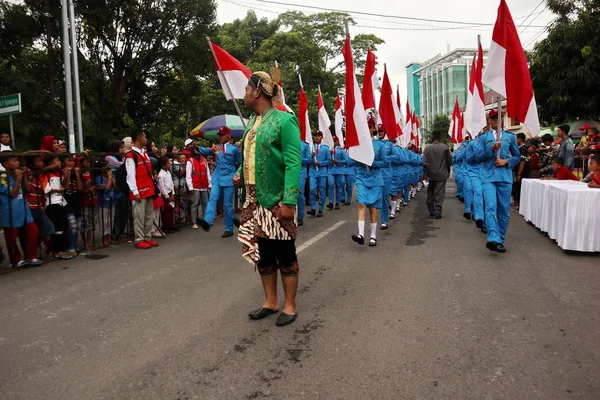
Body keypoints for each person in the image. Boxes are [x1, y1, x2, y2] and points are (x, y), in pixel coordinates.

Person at [234, 71, 301, 327]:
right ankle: (270, 301)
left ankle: (290, 305)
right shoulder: (252, 122)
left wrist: (289, 201)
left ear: (257, 91)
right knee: (263, 254)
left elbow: (294, 163)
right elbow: (250, 155)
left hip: (277, 199)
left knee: (284, 254)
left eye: (246, 90)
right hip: (253, 199)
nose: (244, 95)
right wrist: (241, 172)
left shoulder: (285, 121)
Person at [475, 109, 521, 253]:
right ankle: (493, 238)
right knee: (490, 207)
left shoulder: (510, 137)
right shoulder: (483, 138)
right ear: (489, 120)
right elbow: (478, 157)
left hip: (504, 177)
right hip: (488, 177)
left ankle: (500, 239)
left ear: (502, 119)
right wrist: (491, 149)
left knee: (503, 210)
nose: (496, 120)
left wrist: (505, 161)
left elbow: (517, 156)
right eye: (493, 118)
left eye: (498, 118)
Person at [196, 126, 241, 238]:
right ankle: (207, 222)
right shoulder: (216, 148)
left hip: (229, 178)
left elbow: (241, 163)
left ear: (228, 136)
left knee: (228, 205)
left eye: (222, 135)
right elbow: (205, 151)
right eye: (219, 135)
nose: (220, 137)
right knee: (212, 198)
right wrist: (196, 147)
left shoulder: (234, 149)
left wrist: (238, 175)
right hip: (217, 177)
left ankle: (229, 228)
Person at [0, 152, 41, 267]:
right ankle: (16, 260)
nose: (17, 163)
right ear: (5, 164)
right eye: (14, 161)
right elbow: (13, 194)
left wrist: (23, 178)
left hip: (24, 209)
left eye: (17, 160)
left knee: (34, 232)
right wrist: (18, 179)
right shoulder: (2, 178)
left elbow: (28, 189)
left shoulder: (18, 174)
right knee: (11, 238)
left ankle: (31, 256)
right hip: (11, 212)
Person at [351, 119, 385, 247]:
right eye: (365, 127)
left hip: (375, 177)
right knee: (361, 204)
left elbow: (385, 162)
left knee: (372, 208)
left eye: (370, 127)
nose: (368, 129)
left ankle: (373, 236)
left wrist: (372, 162)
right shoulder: (358, 145)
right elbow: (353, 160)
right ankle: (360, 235)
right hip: (361, 176)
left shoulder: (379, 145)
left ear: (373, 129)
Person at [125, 129, 159, 249]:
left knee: (149, 216)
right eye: (144, 137)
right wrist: (135, 192)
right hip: (139, 191)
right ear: (139, 138)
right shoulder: (131, 156)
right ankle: (139, 239)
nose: (146, 139)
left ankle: (147, 237)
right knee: (139, 217)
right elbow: (130, 176)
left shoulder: (144, 153)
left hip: (148, 189)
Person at [42, 154, 72, 259]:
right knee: (57, 228)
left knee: (62, 227)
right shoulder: (46, 174)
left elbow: (65, 186)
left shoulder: (58, 173)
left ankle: (60, 249)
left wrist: (67, 175)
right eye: (57, 161)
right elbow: (46, 189)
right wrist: (58, 190)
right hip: (52, 203)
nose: (59, 163)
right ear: (51, 163)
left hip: (61, 202)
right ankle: (57, 250)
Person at [422, 130, 452, 219]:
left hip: (431, 174)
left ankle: (431, 209)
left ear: (432, 137)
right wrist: (447, 169)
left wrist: (426, 172)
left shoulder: (427, 148)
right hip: (442, 174)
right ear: (440, 137)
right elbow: (449, 161)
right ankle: (438, 210)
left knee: (430, 192)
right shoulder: (445, 147)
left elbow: (424, 162)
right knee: (439, 193)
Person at [106, 140, 128, 243]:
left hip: (123, 186)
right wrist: (126, 160)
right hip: (114, 189)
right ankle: (114, 234)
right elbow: (121, 165)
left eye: (123, 148)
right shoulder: (109, 158)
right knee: (116, 212)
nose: (123, 150)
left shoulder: (123, 158)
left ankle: (120, 232)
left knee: (124, 211)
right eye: (121, 148)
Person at [61, 153, 82, 257]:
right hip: (66, 202)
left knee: (77, 225)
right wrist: (67, 174)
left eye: (73, 161)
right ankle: (70, 247)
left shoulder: (76, 171)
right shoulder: (62, 172)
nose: (72, 163)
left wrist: (77, 175)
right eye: (69, 160)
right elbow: (64, 186)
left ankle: (74, 244)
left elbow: (80, 188)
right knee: (72, 225)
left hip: (76, 201)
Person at [307, 130, 331, 218]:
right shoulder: (311, 148)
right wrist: (311, 157)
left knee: (322, 190)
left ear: (322, 137)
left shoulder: (325, 148)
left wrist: (320, 163)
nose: (317, 137)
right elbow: (308, 161)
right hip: (313, 172)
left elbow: (329, 161)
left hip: (322, 172)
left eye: (319, 135)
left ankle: (320, 209)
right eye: (315, 135)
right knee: (312, 189)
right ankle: (313, 208)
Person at [186, 145, 211, 230]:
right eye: (197, 149)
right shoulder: (190, 161)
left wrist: (209, 184)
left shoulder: (204, 160)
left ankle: (206, 221)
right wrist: (190, 187)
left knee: (206, 203)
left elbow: (207, 173)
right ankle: (193, 222)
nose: (199, 151)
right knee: (194, 204)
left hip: (204, 185)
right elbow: (188, 175)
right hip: (195, 185)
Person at [377, 125, 394, 230]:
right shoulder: (371, 143)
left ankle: (384, 220)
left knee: (384, 197)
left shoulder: (389, 144)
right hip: (373, 174)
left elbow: (399, 157)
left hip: (386, 173)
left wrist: (385, 158)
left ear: (385, 132)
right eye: (378, 131)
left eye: (382, 131)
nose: (380, 133)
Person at [94, 160, 115, 246]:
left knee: (111, 219)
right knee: (103, 219)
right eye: (107, 167)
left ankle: (109, 236)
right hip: (103, 201)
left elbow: (116, 186)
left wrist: (111, 178)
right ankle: (104, 237)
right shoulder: (99, 178)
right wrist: (109, 177)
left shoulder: (112, 176)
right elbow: (107, 187)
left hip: (112, 200)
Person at [79, 155, 96, 250]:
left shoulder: (89, 173)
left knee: (90, 220)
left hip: (90, 199)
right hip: (83, 200)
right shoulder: (80, 174)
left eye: (89, 162)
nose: (88, 163)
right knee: (83, 222)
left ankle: (89, 240)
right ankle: (84, 240)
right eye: (86, 162)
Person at [327, 136, 348, 211]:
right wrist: (329, 154)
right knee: (331, 184)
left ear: (337, 141)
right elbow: (326, 159)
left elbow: (346, 160)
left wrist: (338, 162)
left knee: (339, 186)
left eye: (335, 141)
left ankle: (337, 202)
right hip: (331, 170)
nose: (334, 142)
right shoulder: (328, 150)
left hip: (339, 170)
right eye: (332, 141)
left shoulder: (341, 150)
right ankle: (331, 202)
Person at [157, 157, 176, 233]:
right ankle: (166, 227)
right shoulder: (161, 175)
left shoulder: (168, 172)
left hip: (170, 193)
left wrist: (173, 193)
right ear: (163, 165)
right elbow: (161, 187)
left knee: (171, 210)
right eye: (168, 163)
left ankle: (171, 225)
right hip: (165, 195)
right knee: (165, 212)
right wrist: (167, 196)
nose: (170, 164)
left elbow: (171, 183)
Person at [297, 140, 312, 226]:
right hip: (289, 172)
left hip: (301, 173)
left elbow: (309, 159)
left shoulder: (305, 145)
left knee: (299, 195)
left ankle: (300, 217)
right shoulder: (287, 142)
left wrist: (299, 159)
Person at [513, 133, 529, 207]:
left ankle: (520, 203)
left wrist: (519, 173)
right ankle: (516, 201)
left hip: (522, 171)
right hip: (517, 170)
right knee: (516, 186)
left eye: (516, 138)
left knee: (520, 186)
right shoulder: (518, 147)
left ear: (519, 139)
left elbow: (523, 161)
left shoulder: (524, 148)